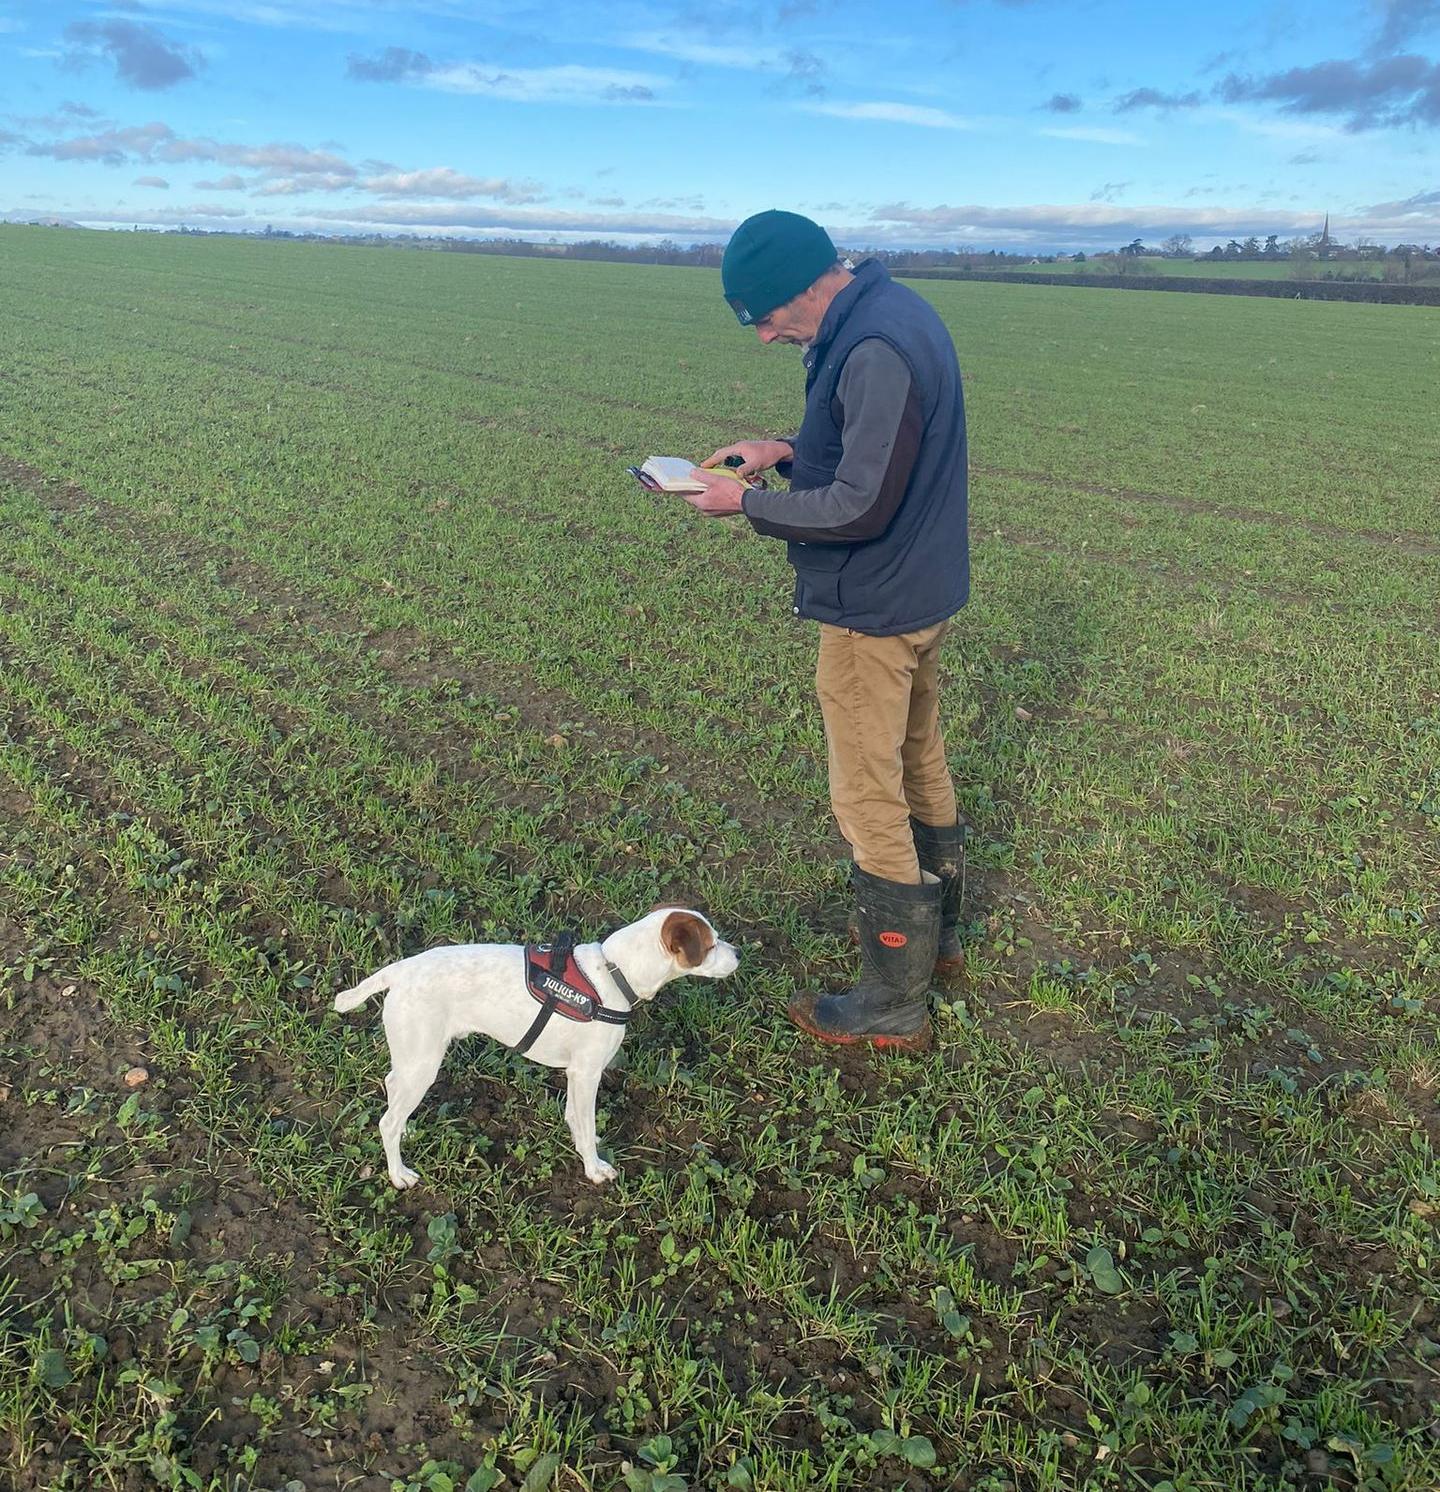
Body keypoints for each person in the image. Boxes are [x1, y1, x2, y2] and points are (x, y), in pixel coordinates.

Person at [683, 209, 971, 1054]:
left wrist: (747, 503)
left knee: (866, 794)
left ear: (808, 284)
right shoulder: (891, 313)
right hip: (920, 589)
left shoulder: (873, 346)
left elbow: (859, 503)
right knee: (918, 758)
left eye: (768, 316)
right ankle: (940, 940)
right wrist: (781, 449)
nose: (765, 336)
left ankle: (892, 1002)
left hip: (873, 608)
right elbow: (871, 449)